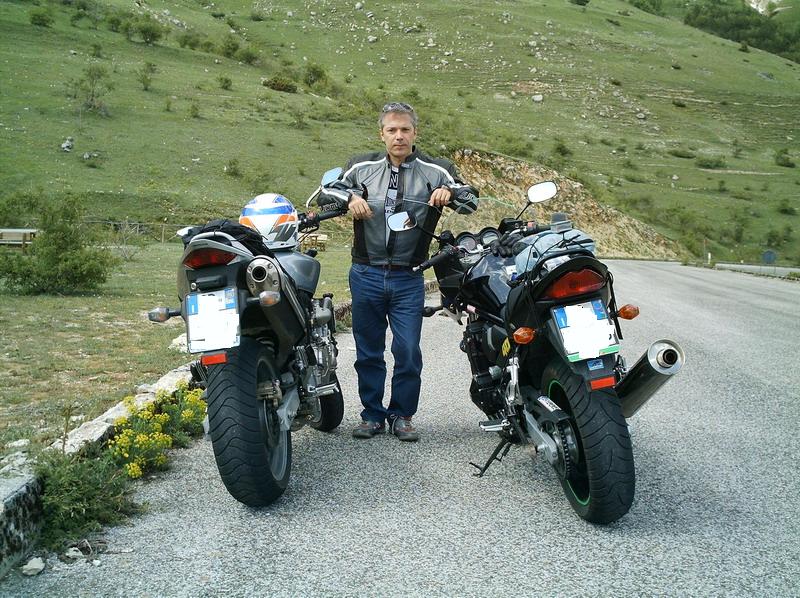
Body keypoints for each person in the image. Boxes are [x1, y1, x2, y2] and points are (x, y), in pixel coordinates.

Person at [323, 102, 478, 442]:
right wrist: (349, 199)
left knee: (407, 350)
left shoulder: (437, 169)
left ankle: (402, 415)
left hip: (410, 276)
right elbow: (325, 192)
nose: (399, 136)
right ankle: (372, 415)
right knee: (368, 350)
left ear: (414, 132)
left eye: (405, 129)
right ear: (381, 134)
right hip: (365, 272)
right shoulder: (360, 166)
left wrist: (450, 192)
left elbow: (471, 200)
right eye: (392, 130)